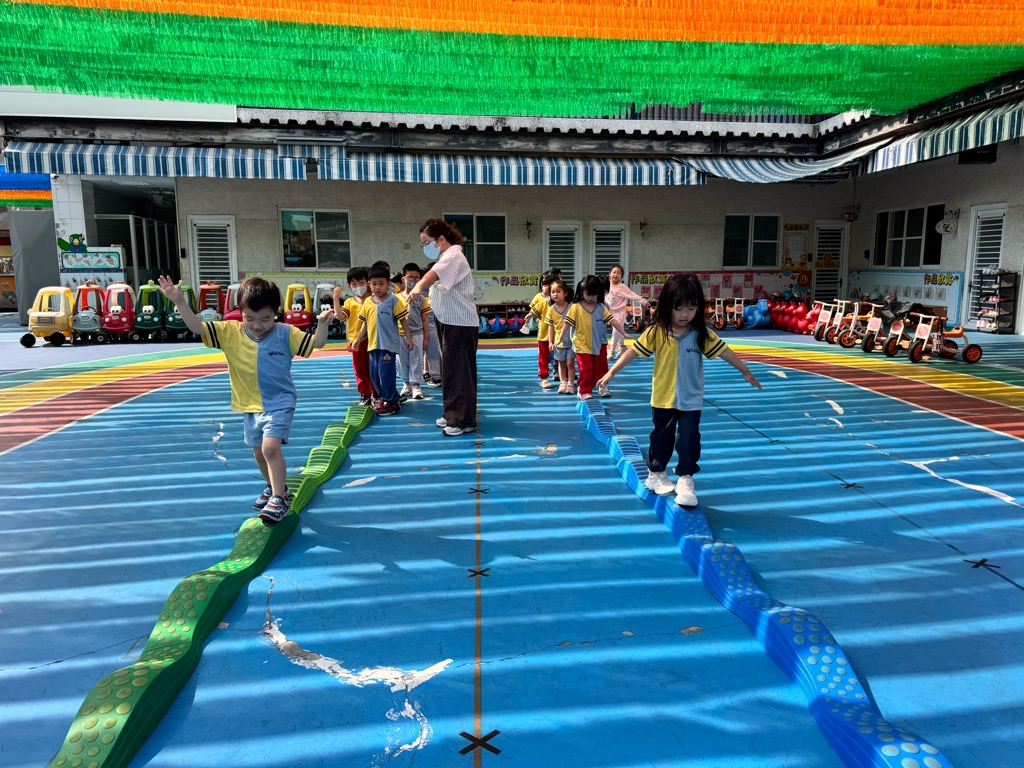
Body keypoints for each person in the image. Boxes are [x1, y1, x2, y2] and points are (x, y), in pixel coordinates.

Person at [157, 275, 334, 524]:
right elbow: (197, 327)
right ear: (240, 311)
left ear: (276, 313)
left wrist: (322, 324)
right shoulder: (230, 331)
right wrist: (179, 301)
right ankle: (274, 487)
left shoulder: (285, 333)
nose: (257, 325)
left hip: (279, 402)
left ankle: (280, 498)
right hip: (249, 405)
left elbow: (317, 343)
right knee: (259, 455)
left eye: (265, 319)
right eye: (249, 318)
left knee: (270, 448)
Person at [597, 273, 762, 508]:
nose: (685, 314)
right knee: (661, 438)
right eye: (679, 308)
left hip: (691, 400)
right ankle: (656, 474)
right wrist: (612, 372)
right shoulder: (657, 331)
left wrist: (745, 371)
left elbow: (724, 351)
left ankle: (686, 478)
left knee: (689, 438)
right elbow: (633, 352)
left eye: (691, 308)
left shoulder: (700, 334)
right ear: (668, 305)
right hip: (663, 398)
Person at [406, 218, 478, 437]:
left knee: (459, 371)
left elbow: (433, 274)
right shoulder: (447, 257)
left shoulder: (453, 256)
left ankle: (462, 420)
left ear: (440, 239)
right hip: (449, 321)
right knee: (450, 370)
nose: (425, 247)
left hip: (459, 323)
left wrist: (418, 285)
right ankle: (452, 413)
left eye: (426, 243)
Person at [350, 264, 412, 416]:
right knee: (375, 375)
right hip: (372, 346)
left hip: (388, 346)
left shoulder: (393, 301)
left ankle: (391, 402)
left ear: (388, 284)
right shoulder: (367, 302)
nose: (378, 287)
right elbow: (364, 324)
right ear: (369, 284)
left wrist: (408, 337)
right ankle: (387, 396)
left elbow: (403, 320)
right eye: (374, 283)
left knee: (386, 374)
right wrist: (357, 339)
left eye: (381, 283)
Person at [557, 274, 631, 400]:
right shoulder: (575, 307)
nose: (591, 298)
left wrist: (623, 332)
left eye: (594, 294)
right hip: (581, 344)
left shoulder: (601, 308)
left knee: (596, 369)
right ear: (582, 292)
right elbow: (567, 324)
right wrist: (560, 338)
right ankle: (584, 391)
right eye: (588, 294)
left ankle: (594, 386)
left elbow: (612, 320)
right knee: (586, 369)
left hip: (596, 345)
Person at [333, 267, 374, 406]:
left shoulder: (373, 300)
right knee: (360, 369)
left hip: (374, 339)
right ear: (349, 286)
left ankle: (376, 393)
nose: (358, 286)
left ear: (367, 282)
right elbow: (340, 316)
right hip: (356, 341)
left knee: (375, 368)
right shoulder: (350, 302)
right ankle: (365, 394)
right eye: (354, 284)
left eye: (361, 282)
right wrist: (336, 299)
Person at [397, 262, 431, 400]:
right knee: (402, 361)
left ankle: (416, 384)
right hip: (400, 334)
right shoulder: (396, 298)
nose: (413, 280)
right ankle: (406, 384)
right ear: (403, 279)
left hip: (417, 334)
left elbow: (425, 319)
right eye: (410, 277)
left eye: (416, 278)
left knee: (416, 360)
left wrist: (426, 338)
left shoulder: (421, 298)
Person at [605, 264, 649, 361]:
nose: (616, 274)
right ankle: (622, 346)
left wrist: (644, 302)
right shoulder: (605, 285)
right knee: (620, 330)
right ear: (609, 274)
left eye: (618, 273)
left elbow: (632, 295)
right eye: (614, 272)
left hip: (619, 312)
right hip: (608, 312)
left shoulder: (622, 287)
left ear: (621, 276)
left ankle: (612, 350)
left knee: (616, 330)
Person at [545, 277, 576, 394]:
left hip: (572, 341)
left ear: (565, 293)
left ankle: (570, 383)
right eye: (553, 292)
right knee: (561, 363)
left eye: (558, 291)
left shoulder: (572, 307)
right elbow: (551, 326)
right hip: (559, 342)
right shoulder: (551, 310)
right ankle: (563, 382)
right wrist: (550, 342)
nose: (555, 294)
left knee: (570, 363)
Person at [529, 271, 558, 389]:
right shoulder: (542, 301)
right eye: (543, 284)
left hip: (559, 336)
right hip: (544, 334)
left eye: (546, 285)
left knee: (561, 357)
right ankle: (544, 377)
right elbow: (533, 312)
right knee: (543, 357)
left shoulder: (562, 303)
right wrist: (539, 317)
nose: (544, 287)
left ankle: (562, 376)